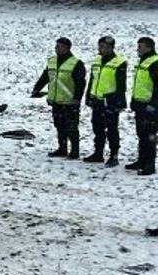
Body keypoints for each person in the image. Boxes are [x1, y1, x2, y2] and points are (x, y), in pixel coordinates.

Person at [31, 37, 86, 158]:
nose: (56, 49)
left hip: (70, 101)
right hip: (56, 100)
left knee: (71, 127)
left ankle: (75, 151)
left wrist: (77, 99)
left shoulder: (76, 63)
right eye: (56, 46)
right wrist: (36, 89)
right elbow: (45, 77)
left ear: (66, 48)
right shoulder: (52, 61)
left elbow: (81, 83)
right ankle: (62, 148)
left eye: (59, 47)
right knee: (59, 126)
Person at [84, 36, 127, 167]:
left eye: (103, 46)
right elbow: (92, 79)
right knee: (97, 128)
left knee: (112, 130)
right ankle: (98, 153)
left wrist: (119, 103)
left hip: (110, 101)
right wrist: (88, 96)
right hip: (97, 99)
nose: (100, 49)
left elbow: (121, 85)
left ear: (110, 47)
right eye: (99, 46)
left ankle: (114, 155)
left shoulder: (119, 62)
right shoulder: (96, 60)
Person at [127, 36, 157, 175]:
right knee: (141, 134)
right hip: (140, 104)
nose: (137, 49)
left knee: (149, 135)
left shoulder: (154, 62)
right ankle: (142, 160)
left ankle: (149, 165)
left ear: (149, 48)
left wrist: (153, 104)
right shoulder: (143, 61)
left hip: (150, 106)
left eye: (140, 46)